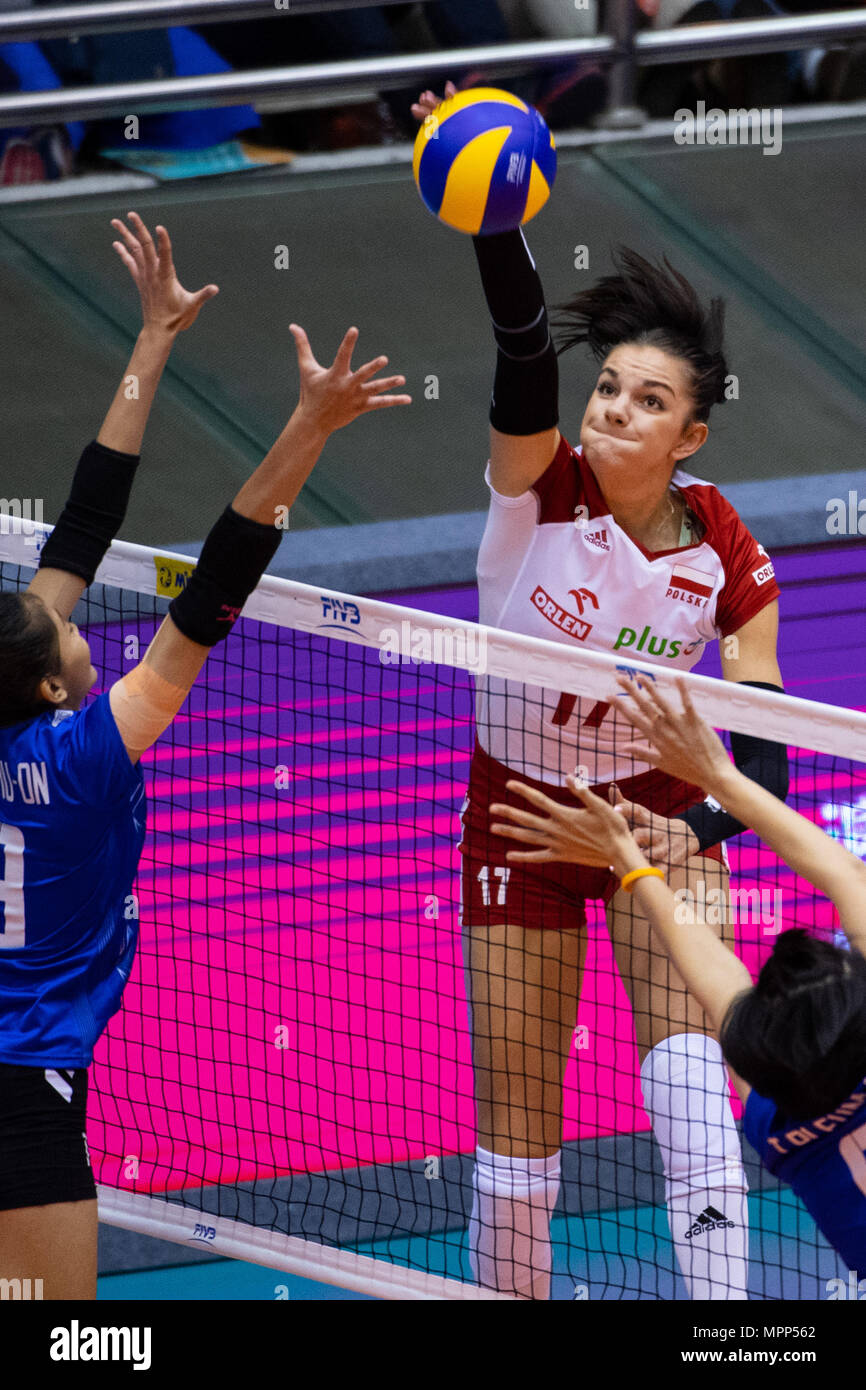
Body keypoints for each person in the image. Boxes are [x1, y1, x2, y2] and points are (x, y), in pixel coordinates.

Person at [411, 83, 788, 1301]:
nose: (611, 405)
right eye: (610, 385)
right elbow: (524, 357)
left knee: (689, 1063)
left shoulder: (724, 549)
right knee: (517, 1117)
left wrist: (695, 828)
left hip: (649, 810)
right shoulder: (537, 491)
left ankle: (720, 1320)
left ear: (689, 437)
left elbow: (768, 739)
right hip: (519, 813)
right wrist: (489, 216)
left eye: (647, 398)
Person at [0, 212, 410, 1299]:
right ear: (50, 684)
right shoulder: (87, 757)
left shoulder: (24, 692)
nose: (80, 616)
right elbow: (214, 589)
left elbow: (81, 526)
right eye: (72, 629)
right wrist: (311, 425)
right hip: (20, 1082)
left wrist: (152, 339)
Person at [491, 671, 866, 1279]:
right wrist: (721, 777)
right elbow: (849, 877)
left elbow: (713, 975)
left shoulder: (780, 1131)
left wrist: (630, 863)